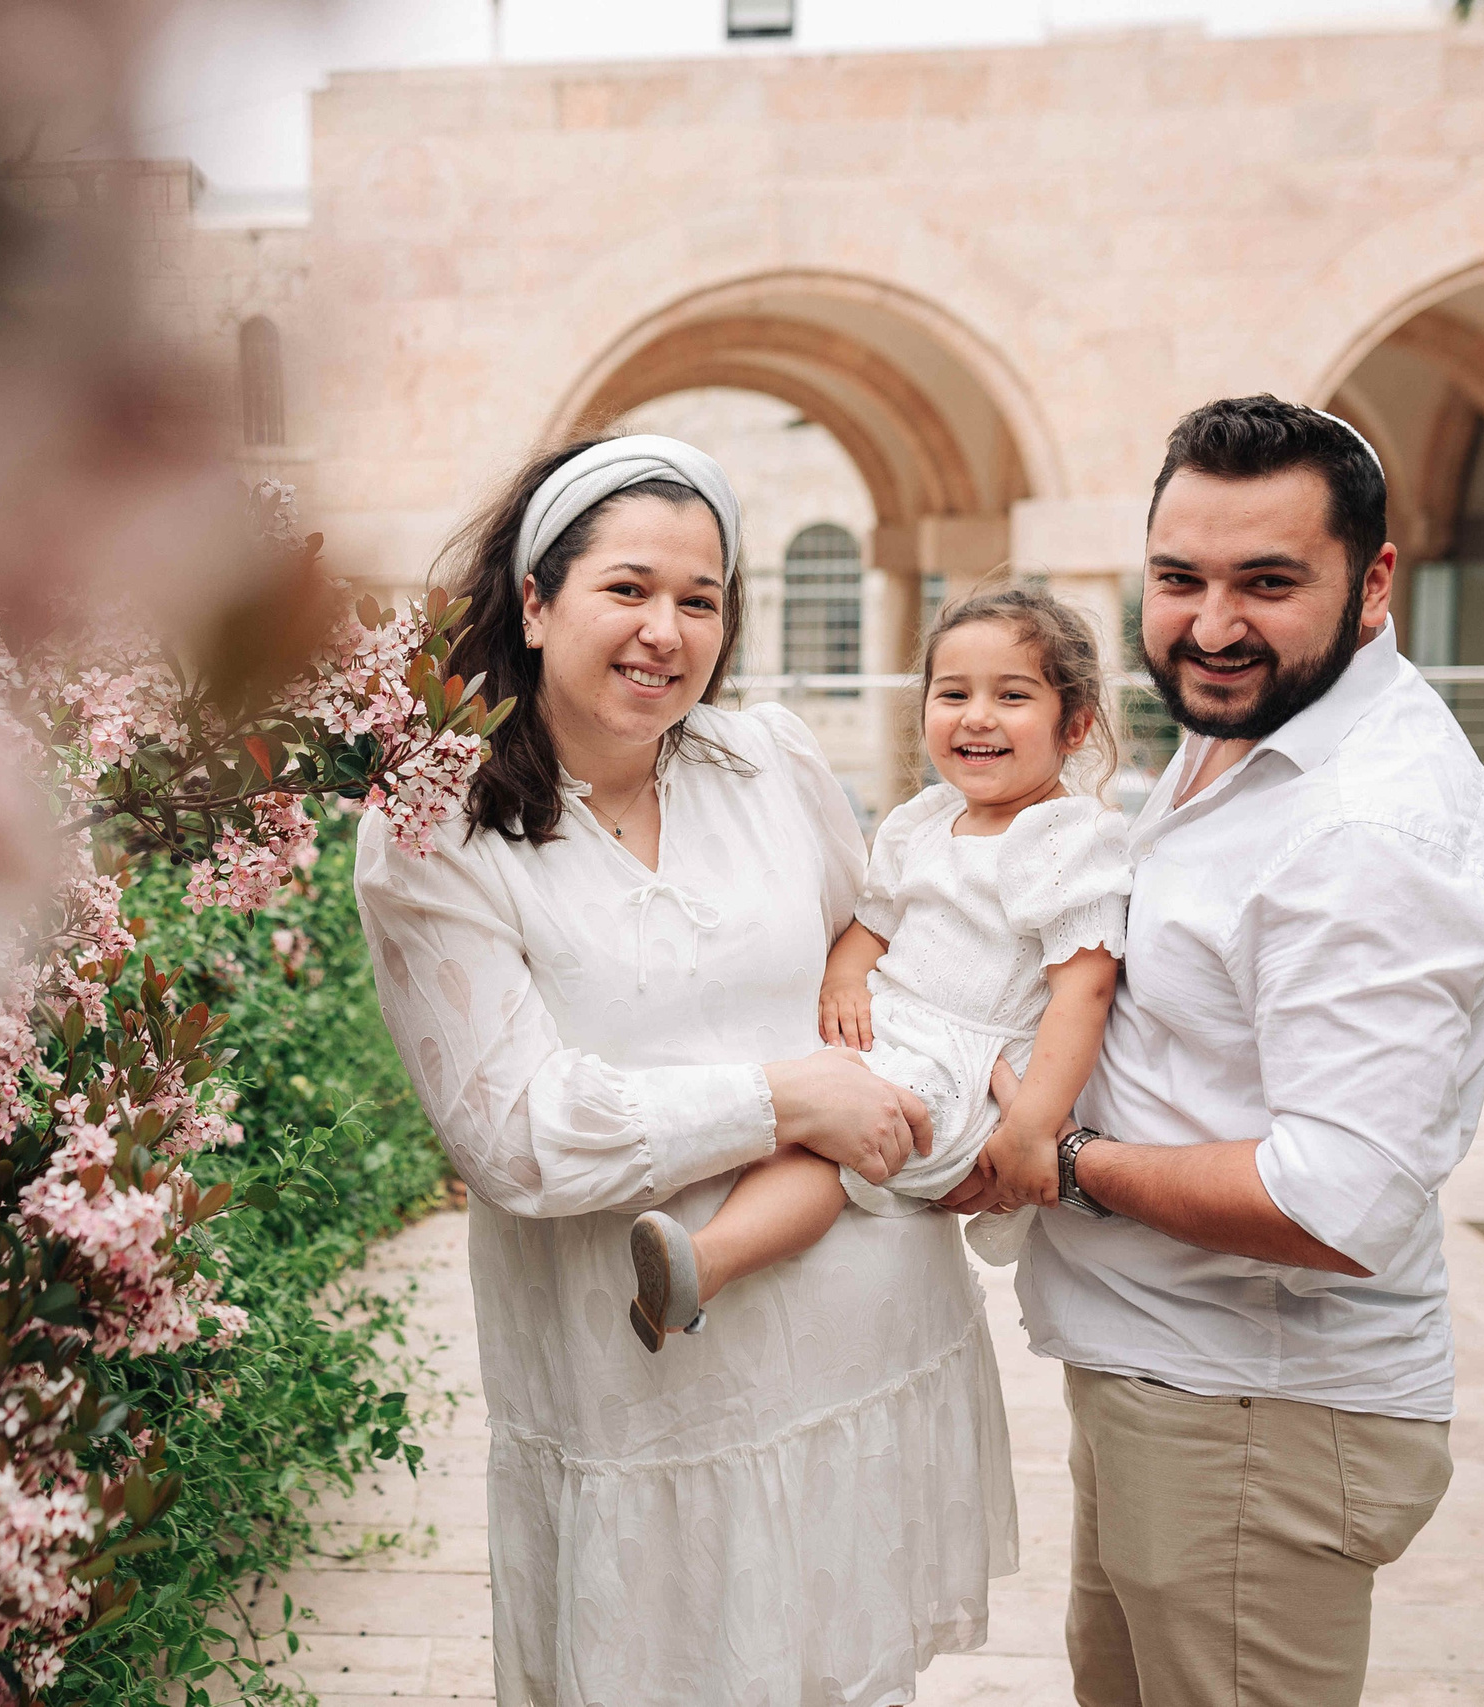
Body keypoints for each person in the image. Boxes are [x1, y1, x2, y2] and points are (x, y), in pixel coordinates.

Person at [354, 434, 1017, 1707]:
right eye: (629, 588)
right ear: (535, 603)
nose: (667, 630)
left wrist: (958, 1098)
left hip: (861, 1349)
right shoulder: (434, 830)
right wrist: (783, 1097)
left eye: (701, 600)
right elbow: (512, 1132)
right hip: (641, 1401)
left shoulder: (766, 762)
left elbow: (877, 955)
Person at [940, 396, 1484, 1707]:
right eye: (1177, 577)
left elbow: (1337, 1197)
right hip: (1179, 1386)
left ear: (1375, 582)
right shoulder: (1247, 719)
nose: (1210, 625)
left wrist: (1068, 1157)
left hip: (1258, 1416)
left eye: (1268, 581)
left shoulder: (1372, 831)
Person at [625, 586, 1129, 1352]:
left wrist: (1030, 1129)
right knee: (799, 1101)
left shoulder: (1065, 837)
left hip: (969, 1069)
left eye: (1013, 695)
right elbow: (871, 926)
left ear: (1077, 723)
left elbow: (1082, 991)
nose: (977, 715)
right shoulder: (922, 822)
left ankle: (706, 1261)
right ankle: (695, 1237)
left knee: (833, 1146)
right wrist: (843, 979)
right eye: (953, 693)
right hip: (897, 1031)